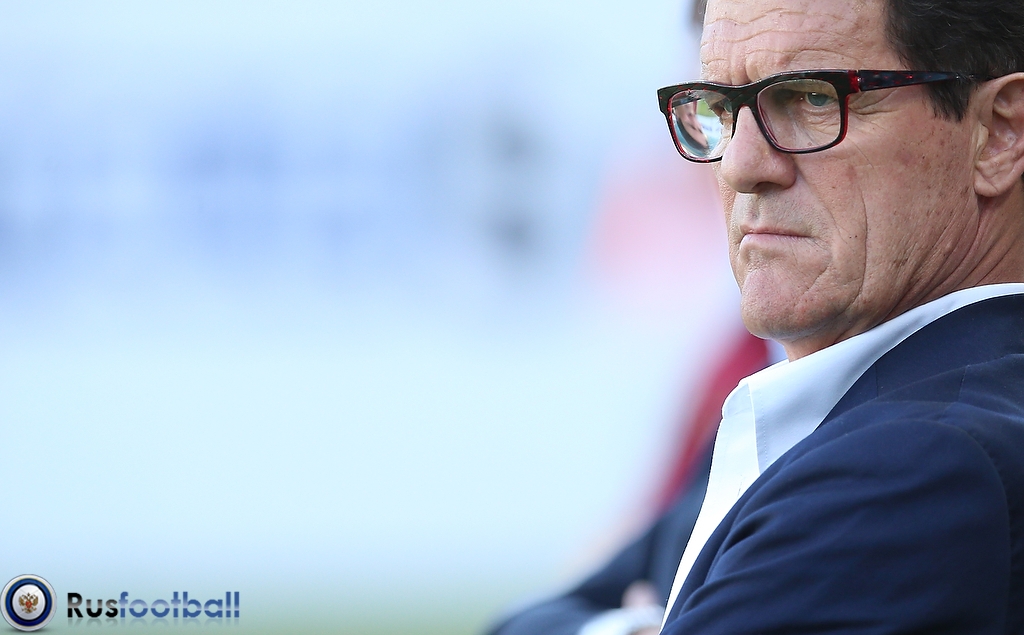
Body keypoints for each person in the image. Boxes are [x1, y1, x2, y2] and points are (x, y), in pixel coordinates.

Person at [652, 0, 1024, 630]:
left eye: (811, 98)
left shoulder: (920, 464)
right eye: (718, 107)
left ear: (998, 133)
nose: (740, 166)